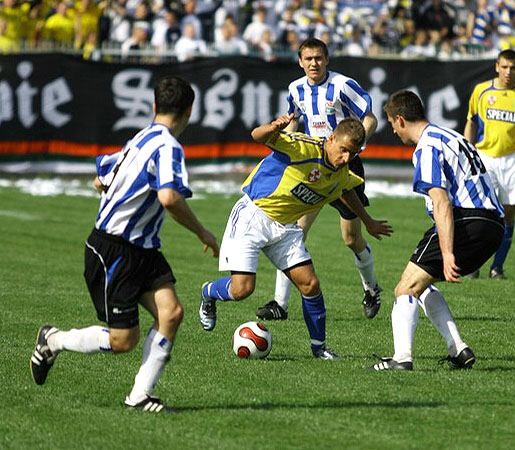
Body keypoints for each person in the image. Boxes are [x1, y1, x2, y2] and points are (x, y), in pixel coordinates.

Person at [30, 76, 219, 412]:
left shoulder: (141, 138)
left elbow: (99, 177)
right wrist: (203, 233)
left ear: (154, 107)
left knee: (171, 313)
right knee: (123, 341)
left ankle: (139, 396)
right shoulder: (169, 147)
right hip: (114, 249)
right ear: (190, 111)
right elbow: (169, 197)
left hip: (142, 248)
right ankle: (53, 339)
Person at [198, 114, 393, 360]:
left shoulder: (341, 169)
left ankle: (319, 349)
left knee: (310, 284)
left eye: (352, 154)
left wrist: (368, 221)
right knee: (242, 290)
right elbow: (256, 136)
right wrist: (272, 128)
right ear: (331, 138)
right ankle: (208, 292)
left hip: (285, 227)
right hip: (253, 216)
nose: (346, 158)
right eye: (343, 150)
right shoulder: (302, 147)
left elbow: (345, 189)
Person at [368, 90, 504, 371]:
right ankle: (458, 350)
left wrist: (447, 252)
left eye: (392, 124)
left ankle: (401, 358)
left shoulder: (427, 147)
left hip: (467, 220)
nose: (393, 131)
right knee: (422, 285)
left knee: (404, 288)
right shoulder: (452, 136)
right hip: (494, 226)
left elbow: (441, 201)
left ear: (401, 119)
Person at [255, 37, 382, 323]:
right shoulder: (295, 89)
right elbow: (294, 118)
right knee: (292, 231)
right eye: (308, 59)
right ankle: (280, 304)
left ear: (327, 60)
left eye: (318, 58)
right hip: (312, 163)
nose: (314, 63)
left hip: (343, 165)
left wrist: (355, 146)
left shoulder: (342, 85)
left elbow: (369, 117)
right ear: (300, 61)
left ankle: (371, 289)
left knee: (351, 239)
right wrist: (286, 140)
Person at [464, 49, 515, 279]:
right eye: (504, 67)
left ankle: (497, 267)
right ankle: (474, 264)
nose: (508, 72)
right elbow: (471, 121)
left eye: (513, 68)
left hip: (514, 159)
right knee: (482, 210)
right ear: (496, 67)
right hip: (485, 157)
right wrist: (466, 150)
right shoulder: (481, 91)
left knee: (508, 214)